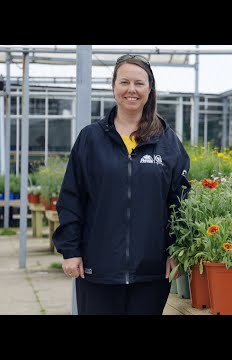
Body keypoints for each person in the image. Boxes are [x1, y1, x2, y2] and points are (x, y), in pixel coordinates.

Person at [53, 54, 191, 315]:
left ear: (150, 89)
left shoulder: (168, 142)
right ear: (114, 86)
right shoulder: (90, 139)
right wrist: (70, 251)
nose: (131, 90)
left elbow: (180, 202)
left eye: (139, 83)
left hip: (151, 272)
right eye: (124, 81)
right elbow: (71, 198)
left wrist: (177, 250)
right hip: (98, 270)